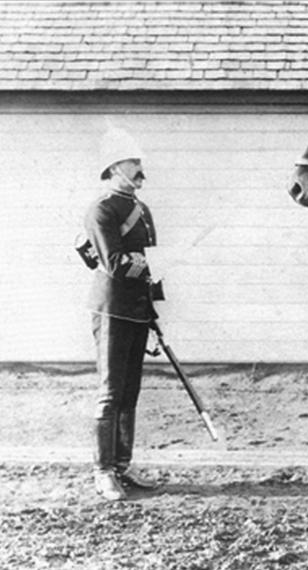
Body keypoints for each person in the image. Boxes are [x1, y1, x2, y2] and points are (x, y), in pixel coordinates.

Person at [83, 126, 160, 500]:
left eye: (140, 161)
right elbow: (115, 263)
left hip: (136, 309)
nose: (140, 168)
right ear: (115, 169)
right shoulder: (102, 209)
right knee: (111, 391)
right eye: (133, 163)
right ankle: (103, 471)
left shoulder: (141, 210)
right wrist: (144, 264)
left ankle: (123, 465)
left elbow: (149, 265)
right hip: (112, 309)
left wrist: (152, 306)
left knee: (130, 392)